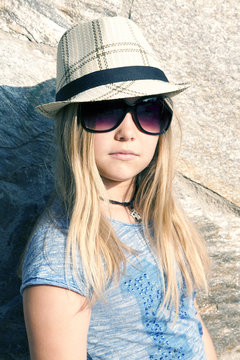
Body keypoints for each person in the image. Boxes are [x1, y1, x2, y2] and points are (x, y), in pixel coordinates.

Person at [20, 16, 218, 360]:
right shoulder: (62, 253)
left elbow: (191, 327)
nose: (128, 131)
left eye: (149, 112)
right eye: (105, 111)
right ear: (74, 126)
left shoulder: (160, 219)